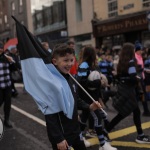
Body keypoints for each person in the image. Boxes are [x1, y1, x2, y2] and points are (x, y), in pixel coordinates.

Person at [45, 44, 102, 150]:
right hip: (62, 134)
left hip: (75, 130)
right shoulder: (52, 84)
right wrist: (58, 138)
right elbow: (50, 114)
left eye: (71, 60)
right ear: (55, 61)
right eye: (65, 60)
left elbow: (76, 99)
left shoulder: (70, 77)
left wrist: (89, 106)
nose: (70, 64)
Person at [106, 43, 150, 144]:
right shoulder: (131, 62)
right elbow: (133, 76)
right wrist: (138, 78)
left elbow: (122, 76)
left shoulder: (122, 62)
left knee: (135, 112)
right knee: (123, 114)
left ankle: (140, 135)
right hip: (129, 91)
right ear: (131, 51)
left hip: (124, 90)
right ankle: (104, 132)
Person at [77, 46, 117, 150]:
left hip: (92, 96)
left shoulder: (93, 65)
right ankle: (103, 144)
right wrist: (98, 82)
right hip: (87, 97)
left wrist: (100, 84)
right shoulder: (84, 65)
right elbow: (81, 81)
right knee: (97, 117)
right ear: (91, 54)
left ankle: (79, 139)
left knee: (84, 117)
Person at [0, 41, 15, 128]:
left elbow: (15, 68)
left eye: (1, 48)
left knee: (8, 104)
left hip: (7, 84)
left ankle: (6, 120)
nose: (0, 50)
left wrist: (11, 61)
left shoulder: (6, 58)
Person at [134, 41, 150, 116]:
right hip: (138, 79)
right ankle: (145, 111)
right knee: (141, 94)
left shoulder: (140, 56)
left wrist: (144, 70)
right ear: (137, 50)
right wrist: (143, 69)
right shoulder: (135, 57)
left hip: (142, 77)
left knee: (142, 95)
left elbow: (141, 68)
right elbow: (136, 69)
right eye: (140, 50)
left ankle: (145, 110)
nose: (141, 51)